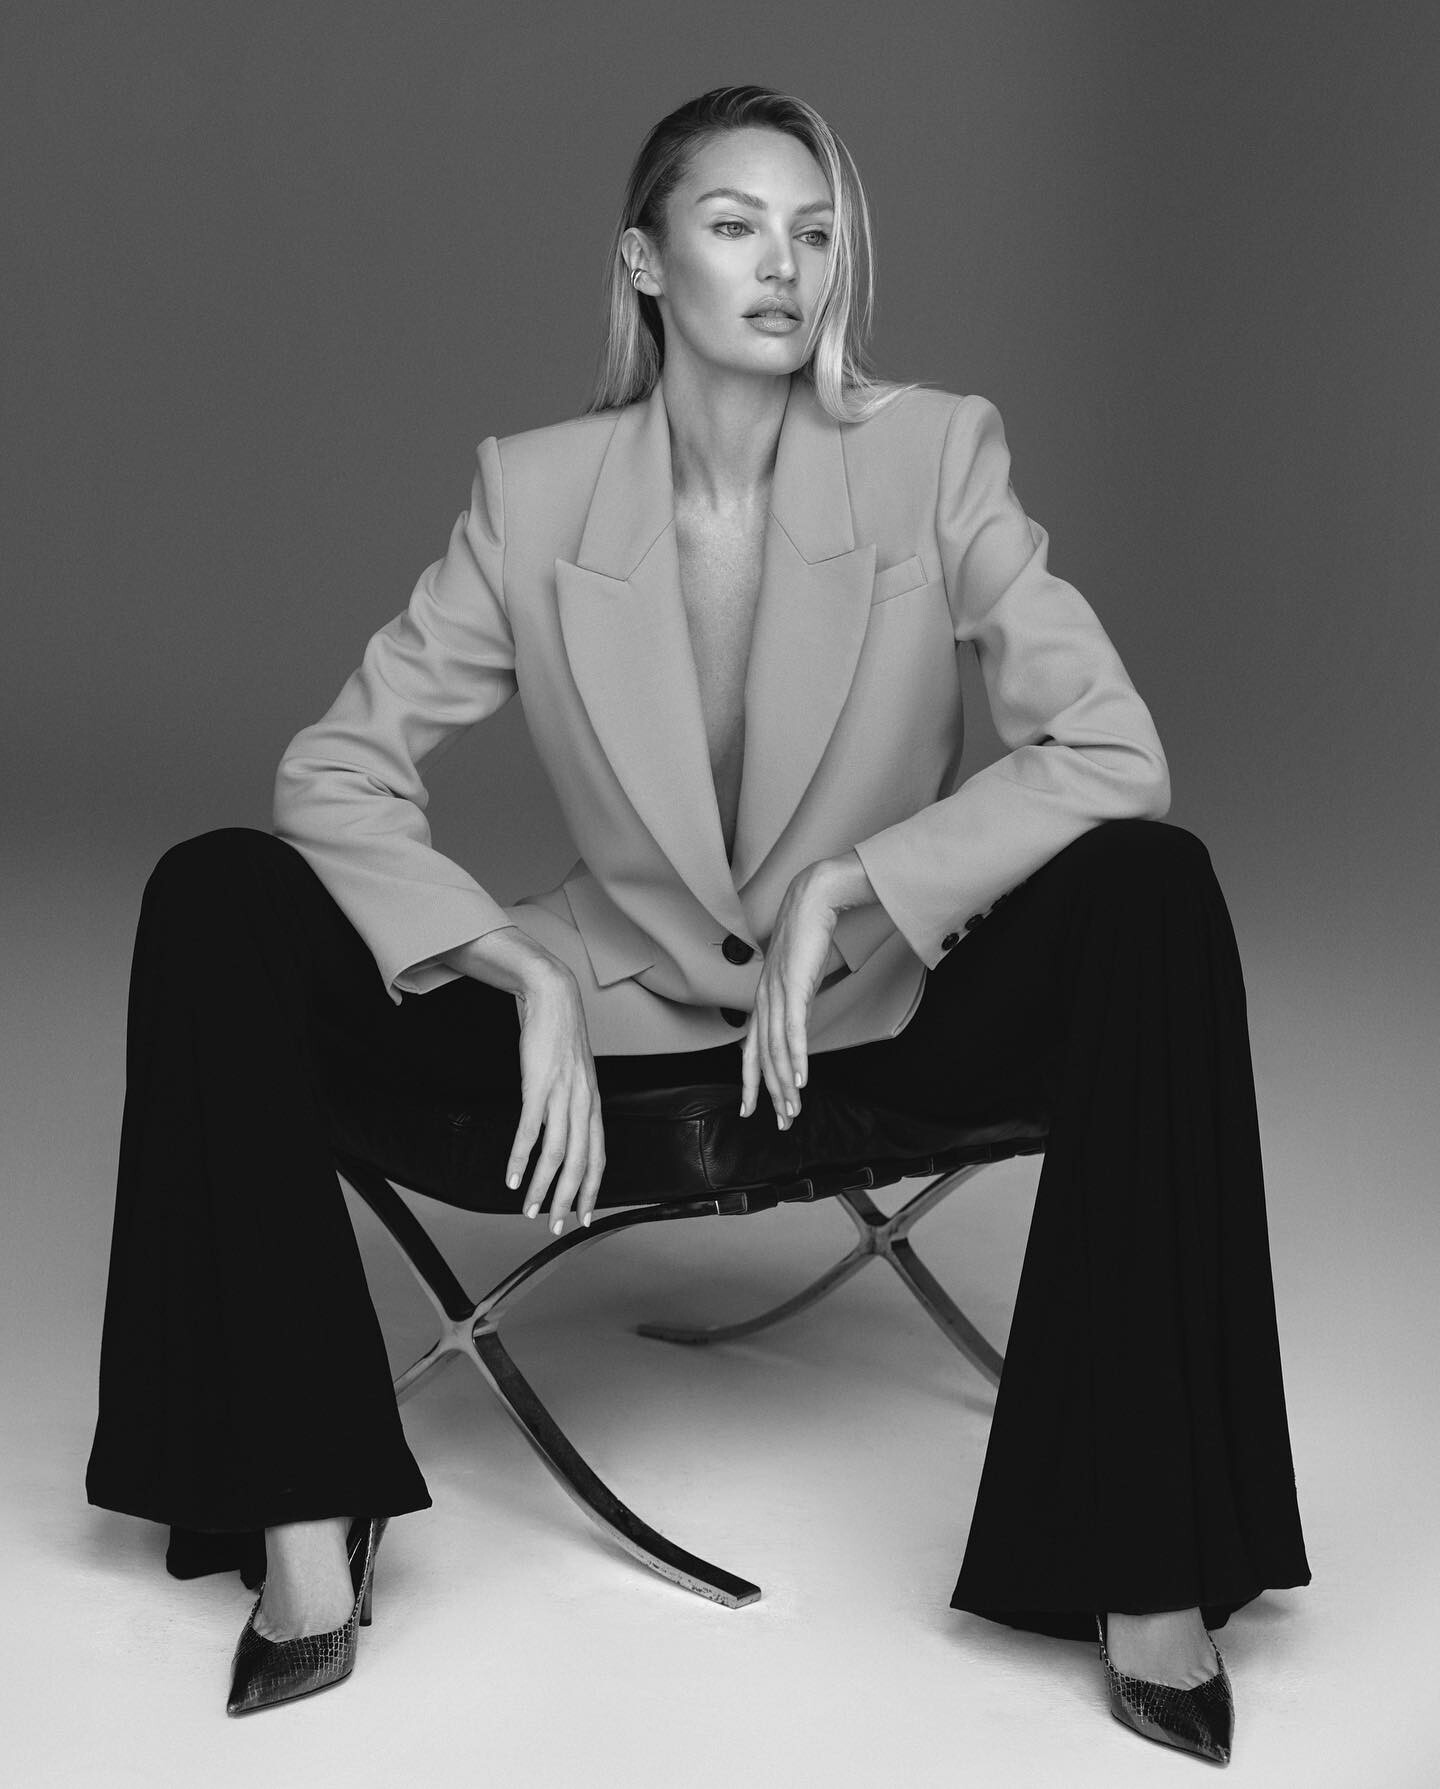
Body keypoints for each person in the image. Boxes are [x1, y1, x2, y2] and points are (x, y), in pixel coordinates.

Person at [86, 84, 1309, 1758]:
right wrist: (512, 959)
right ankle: (307, 1513)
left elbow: (1112, 752)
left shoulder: (933, 454)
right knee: (214, 894)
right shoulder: (535, 496)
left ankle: (1143, 1563)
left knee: (1155, 893)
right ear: (646, 262)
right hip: (608, 1024)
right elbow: (337, 770)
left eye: (814, 233)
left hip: (879, 1012)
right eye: (736, 227)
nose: (785, 266)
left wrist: (858, 884)